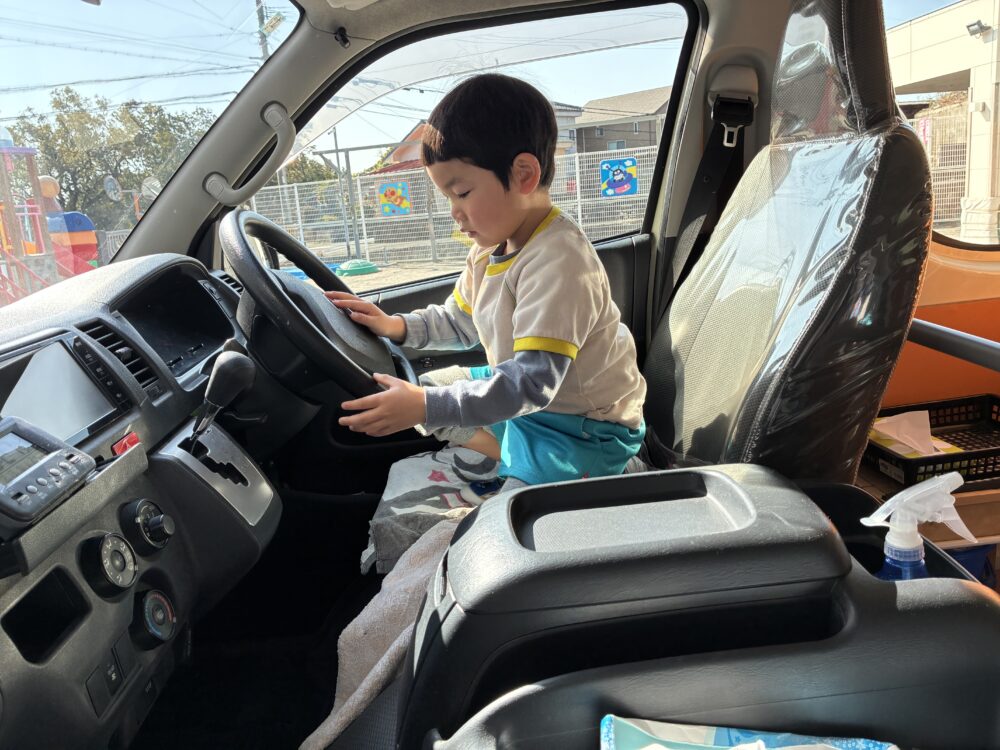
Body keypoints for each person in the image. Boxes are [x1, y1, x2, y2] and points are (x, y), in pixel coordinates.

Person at [327, 73, 646, 489]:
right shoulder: (489, 246)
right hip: (532, 402)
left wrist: (426, 407)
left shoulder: (560, 260)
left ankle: (588, 468)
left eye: (461, 193)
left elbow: (532, 382)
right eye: (447, 198)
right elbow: (459, 321)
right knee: (424, 388)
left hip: (583, 427)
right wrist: (396, 326)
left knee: (514, 505)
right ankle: (510, 451)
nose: (453, 212)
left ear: (524, 175)